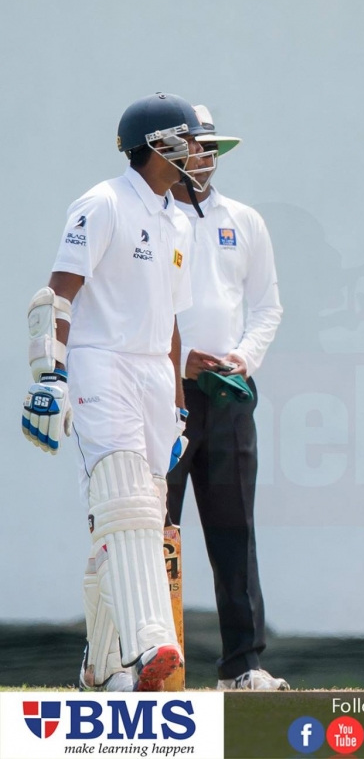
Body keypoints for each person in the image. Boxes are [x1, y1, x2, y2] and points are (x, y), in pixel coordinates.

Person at [22, 92, 206, 691]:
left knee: (135, 518)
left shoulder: (178, 221)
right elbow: (57, 294)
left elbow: (171, 320)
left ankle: (101, 668)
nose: (200, 154)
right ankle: (151, 642)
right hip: (101, 364)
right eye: (192, 141)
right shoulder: (102, 203)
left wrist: (178, 407)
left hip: (155, 376)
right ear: (160, 145)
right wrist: (51, 378)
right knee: (125, 502)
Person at [166, 105, 287, 690]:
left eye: (211, 148)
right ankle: (142, 663)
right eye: (195, 147)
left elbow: (267, 306)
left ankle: (243, 666)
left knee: (234, 529)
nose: (205, 158)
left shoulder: (245, 220)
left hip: (230, 393)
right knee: (152, 531)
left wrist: (242, 357)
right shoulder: (152, 220)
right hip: (164, 392)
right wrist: (178, 359)